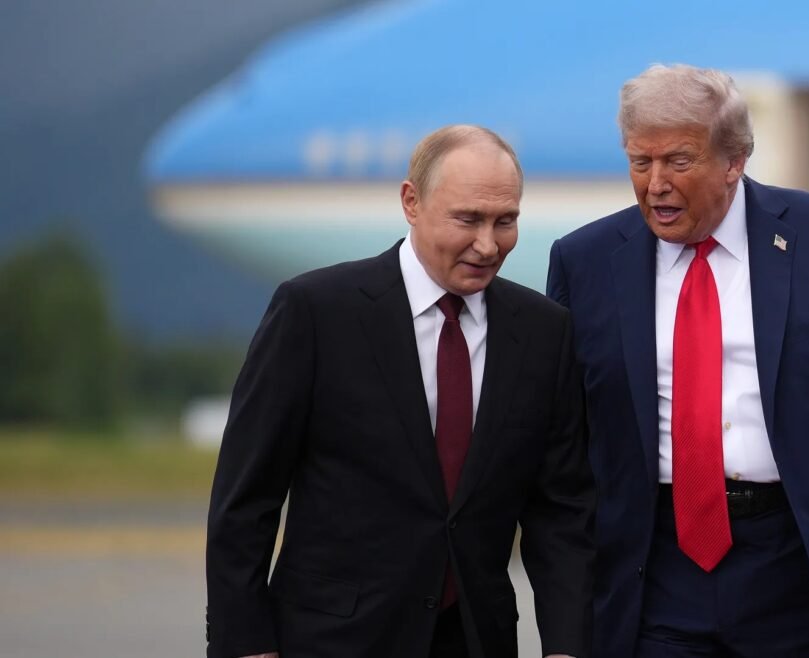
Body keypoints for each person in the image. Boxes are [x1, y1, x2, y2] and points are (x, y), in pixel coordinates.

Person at [546, 64, 809, 658]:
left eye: (678, 161)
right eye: (639, 161)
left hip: (799, 563)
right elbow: (563, 448)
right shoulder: (587, 262)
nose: (655, 184)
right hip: (654, 572)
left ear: (735, 161)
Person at [206, 125, 594, 658]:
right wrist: (245, 644)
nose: (488, 244)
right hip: (331, 641)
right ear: (411, 202)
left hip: (476, 638)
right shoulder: (316, 313)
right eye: (468, 219)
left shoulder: (545, 332)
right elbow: (245, 500)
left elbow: (561, 515)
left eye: (505, 221)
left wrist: (567, 647)